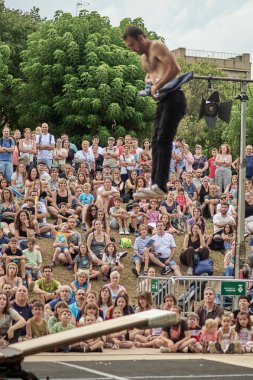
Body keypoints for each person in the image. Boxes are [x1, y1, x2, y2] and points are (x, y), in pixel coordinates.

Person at [123, 26, 186, 199]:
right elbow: (150, 75)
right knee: (155, 141)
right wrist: (150, 83)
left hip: (174, 98)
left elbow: (175, 68)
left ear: (141, 38)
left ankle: (161, 185)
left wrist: (158, 85)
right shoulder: (143, 59)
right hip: (162, 101)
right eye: (129, 47)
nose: (133, 49)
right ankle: (156, 184)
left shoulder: (156, 46)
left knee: (164, 140)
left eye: (133, 45)